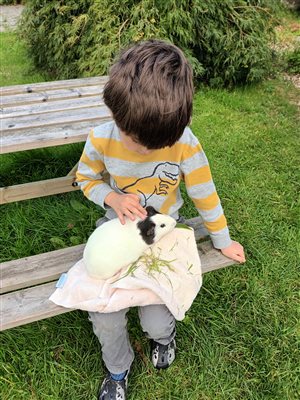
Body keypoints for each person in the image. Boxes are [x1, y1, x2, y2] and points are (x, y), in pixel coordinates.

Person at [76, 39, 245, 400]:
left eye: (149, 146)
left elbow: (204, 194)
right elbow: (86, 178)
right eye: (131, 137)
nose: (138, 149)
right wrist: (112, 196)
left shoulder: (185, 144)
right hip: (115, 228)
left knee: (155, 315)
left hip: (163, 237)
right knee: (104, 313)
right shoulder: (100, 139)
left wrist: (223, 240)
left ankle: (163, 337)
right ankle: (117, 367)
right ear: (116, 113)